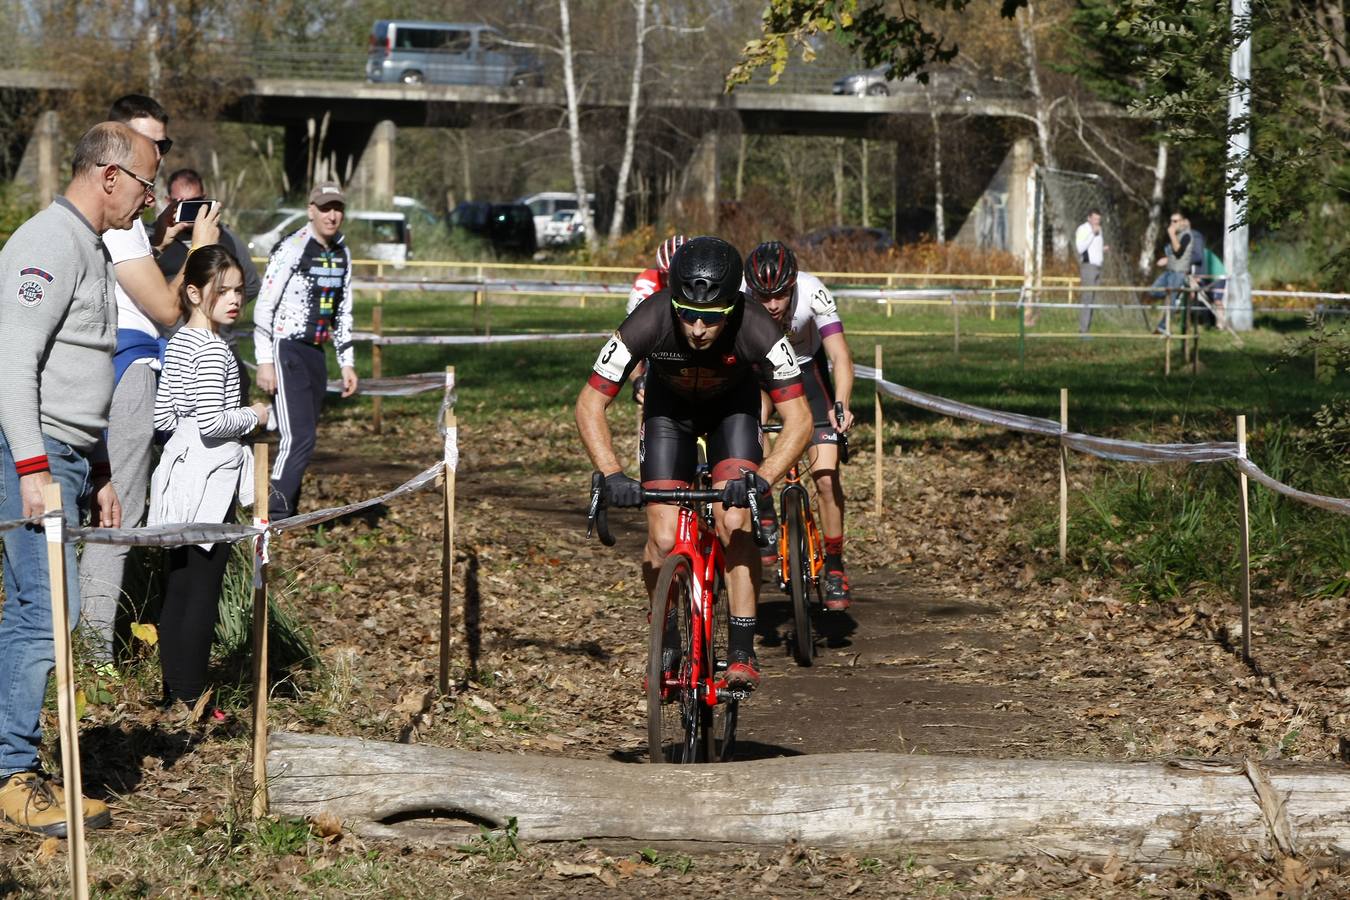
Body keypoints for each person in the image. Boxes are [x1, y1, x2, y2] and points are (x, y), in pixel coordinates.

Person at [0, 121, 157, 835]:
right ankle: (11, 774)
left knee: (45, 613)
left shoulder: (92, 248)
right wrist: (34, 467)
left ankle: (17, 763)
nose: (150, 200)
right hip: (29, 456)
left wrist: (95, 465)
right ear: (109, 174)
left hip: (65, 456)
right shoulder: (46, 242)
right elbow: (12, 364)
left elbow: (77, 364)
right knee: (44, 613)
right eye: (147, 183)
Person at [576, 236, 812, 691]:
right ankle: (665, 637)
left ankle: (742, 650)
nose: (698, 328)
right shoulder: (647, 319)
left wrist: (762, 480)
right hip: (669, 415)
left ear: (733, 307)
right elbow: (589, 404)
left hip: (733, 413)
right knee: (663, 537)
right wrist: (610, 473)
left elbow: (799, 418)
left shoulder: (759, 326)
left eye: (711, 318)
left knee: (734, 521)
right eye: (687, 314)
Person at [78, 95, 223, 667]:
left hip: (121, 367)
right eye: (150, 145)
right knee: (117, 514)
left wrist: (160, 243)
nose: (158, 157)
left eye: (164, 145)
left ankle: (84, 646)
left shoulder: (128, 224)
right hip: (126, 371)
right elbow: (166, 309)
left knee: (107, 508)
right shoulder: (114, 224)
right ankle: (90, 657)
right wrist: (203, 248)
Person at [148, 246, 268, 714]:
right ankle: (192, 695)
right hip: (208, 481)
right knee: (202, 588)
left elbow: (164, 417)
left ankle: (174, 690)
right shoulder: (214, 350)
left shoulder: (177, 342)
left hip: (175, 474)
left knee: (177, 584)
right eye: (224, 290)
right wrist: (253, 415)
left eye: (239, 289)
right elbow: (213, 423)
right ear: (195, 292)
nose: (235, 298)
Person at [744, 242, 857, 609]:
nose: (773, 305)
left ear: (793, 285)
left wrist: (842, 402)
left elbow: (839, 354)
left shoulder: (813, 291)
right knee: (749, 430)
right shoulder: (740, 297)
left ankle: (835, 564)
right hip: (761, 375)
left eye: (780, 295)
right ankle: (764, 512)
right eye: (765, 297)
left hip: (807, 374)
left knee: (825, 476)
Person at [253, 181, 358, 520]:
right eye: (325, 208)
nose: (332, 215)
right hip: (287, 347)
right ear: (311, 210)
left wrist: (347, 363)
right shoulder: (293, 248)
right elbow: (263, 306)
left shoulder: (342, 251)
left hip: (317, 351)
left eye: (337, 208)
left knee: (298, 433)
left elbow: (343, 311)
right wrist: (265, 361)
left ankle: (284, 509)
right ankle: (273, 512)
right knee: (300, 437)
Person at [156, 168, 262, 401]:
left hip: (223, 345)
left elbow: (251, 285)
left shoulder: (227, 239)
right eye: (181, 204)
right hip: (171, 348)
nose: (191, 211)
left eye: (196, 203)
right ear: (168, 201)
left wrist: (221, 306)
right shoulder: (155, 240)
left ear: (206, 198)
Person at [625, 234, 685, 404]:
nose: (671, 282)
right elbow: (632, 339)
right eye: (666, 275)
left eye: (678, 275)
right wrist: (638, 379)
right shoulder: (647, 284)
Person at [1152, 211, 1194, 332]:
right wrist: (1166, 259)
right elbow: (1172, 253)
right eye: (1171, 221)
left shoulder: (1186, 235)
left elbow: (1178, 250)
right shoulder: (1177, 234)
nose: (1172, 224)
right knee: (1153, 291)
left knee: (1171, 300)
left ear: (1181, 222)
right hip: (1169, 272)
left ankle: (1163, 327)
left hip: (1178, 273)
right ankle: (1170, 298)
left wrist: (1171, 233)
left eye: (1175, 221)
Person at [1074, 209, 1106, 335]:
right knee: (1087, 298)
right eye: (1095, 219)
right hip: (1088, 267)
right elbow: (1080, 248)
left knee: (1093, 299)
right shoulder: (1083, 229)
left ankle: (1087, 328)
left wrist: (1102, 249)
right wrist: (1092, 234)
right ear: (1089, 218)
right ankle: (1083, 330)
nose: (1097, 222)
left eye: (1099, 219)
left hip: (1098, 267)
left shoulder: (1099, 229)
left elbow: (1094, 248)